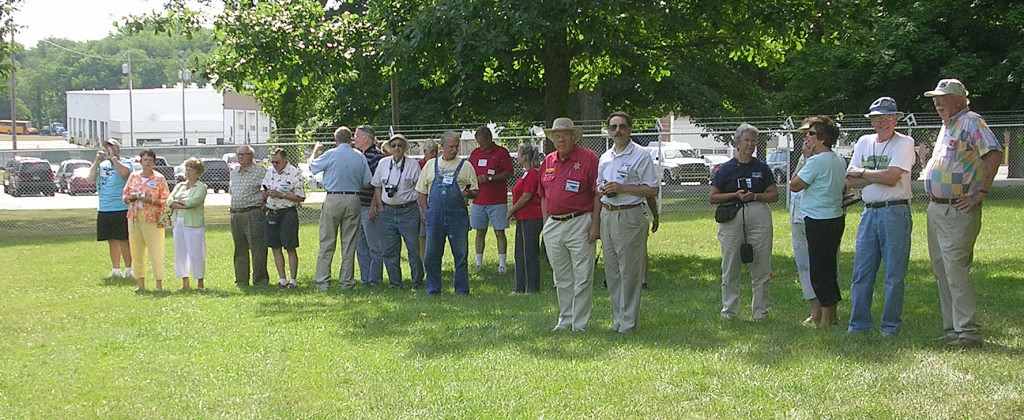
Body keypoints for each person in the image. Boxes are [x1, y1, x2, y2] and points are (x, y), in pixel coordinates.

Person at [922, 78, 1003, 349]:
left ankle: (968, 332)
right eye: (935, 98)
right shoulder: (948, 126)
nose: (937, 103)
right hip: (937, 208)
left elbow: (993, 153)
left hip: (958, 208)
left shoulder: (971, 121)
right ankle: (953, 330)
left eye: (942, 98)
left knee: (955, 270)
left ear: (958, 99)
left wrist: (980, 193)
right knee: (942, 270)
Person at [845, 97, 916, 336]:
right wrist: (877, 175)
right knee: (862, 272)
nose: (883, 122)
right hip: (869, 211)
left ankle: (890, 326)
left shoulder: (904, 143)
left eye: (888, 117)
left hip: (895, 210)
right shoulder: (864, 142)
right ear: (872, 121)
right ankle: (858, 326)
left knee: (894, 274)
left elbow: (892, 177)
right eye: (878, 118)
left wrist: (864, 172)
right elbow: (849, 180)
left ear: (896, 119)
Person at [709, 123, 779, 321]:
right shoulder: (726, 168)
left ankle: (760, 312)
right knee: (730, 266)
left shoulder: (761, 167)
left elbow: (774, 194)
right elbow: (713, 196)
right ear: (737, 143)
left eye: (753, 140)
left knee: (761, 266)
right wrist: (736, 195)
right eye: (746, 140)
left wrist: (755, 196)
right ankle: (729, 311)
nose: (750, 144)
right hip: (732, 217)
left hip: (758, 215)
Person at [597, 112, 659, 333]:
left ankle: (629, 323)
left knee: (630, 271)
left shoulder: (640, 155)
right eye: (613, 127)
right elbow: (598, 186)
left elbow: (652, 189)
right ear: (608, 131)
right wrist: (603, 188)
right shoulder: (605, 157)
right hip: (608, 215)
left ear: (630, 129)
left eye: (622, 126)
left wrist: (622, 188)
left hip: (630, 215)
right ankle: (618, 319)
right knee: (612, 271)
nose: (618, 131)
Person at [538, 117, 600, 332]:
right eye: (557, 135)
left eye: (565, 134)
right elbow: (543, 195)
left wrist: (595, 224)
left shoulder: (588, 158)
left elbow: (597, 193)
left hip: (579, 220)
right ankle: (565, 319)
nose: (561, 138)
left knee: (582, 275)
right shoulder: (548, 161)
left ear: (574, 137)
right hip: (554, 225)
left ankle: (579, 324)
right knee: (561, 277)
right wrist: (546, 224)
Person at [790, 116, 847, 327]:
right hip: (835, 219)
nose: (807, 137)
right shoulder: (839, 160)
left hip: (817, 220)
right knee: (829, 268)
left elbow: (794, 185)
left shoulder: (815, 161)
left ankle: (825, 319)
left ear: (822, 139)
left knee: (819, 271)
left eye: (811, 134)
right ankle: (830, 316)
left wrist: (805, 159)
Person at [310, 126, 373, 291]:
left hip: (333, 198)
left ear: (335, 140)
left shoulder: (330, 154)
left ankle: (323, 282)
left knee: (327, 241)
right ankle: (346, 281)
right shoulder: (359, 156)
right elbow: (367, 181)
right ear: (351, 138)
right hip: (353, 198)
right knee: (349, 243)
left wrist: (316, 151)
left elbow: (313, 167)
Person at [416, 132, 479, 295]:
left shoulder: (466, 166)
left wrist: (467, 194)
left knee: (460, 254)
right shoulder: (431, 165)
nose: (454, 150)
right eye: (451, 146)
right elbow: (421, 191)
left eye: (456, 146)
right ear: (442, 147)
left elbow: (475, 190)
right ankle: (433, 289)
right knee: (431, 255)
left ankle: (462, 290)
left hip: (457, 216)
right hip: (434, 216)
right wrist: (425, 211)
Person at [371, 134, 424, 289]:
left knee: (413, 248)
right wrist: (379, 205)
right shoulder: (383, 163)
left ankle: (417, 281)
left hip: (408, 211)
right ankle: (395, 283)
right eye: (393, 146)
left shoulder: (413, 165)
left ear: (404, 148)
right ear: (390, 148)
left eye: (400, 145)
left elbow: (420, 188)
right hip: (387, 212)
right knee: (389, 250)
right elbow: (377, 185)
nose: (397, 148)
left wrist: (421, 210)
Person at [122, 149, 170, 292]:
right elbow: (125, 193)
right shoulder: (134, 176)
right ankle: (140, 283)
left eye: (150, 160)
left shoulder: (159, 178)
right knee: (136, 250)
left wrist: (150, 200)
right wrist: (128, 198)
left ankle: (159, 283)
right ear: (140, 162)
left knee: (156, 250)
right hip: (135, 217)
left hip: (153, 218)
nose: (147, 162)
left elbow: (166, 199)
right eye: (145, 160)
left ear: (154, 162)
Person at [469, 126, 515, 274]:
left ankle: (502, 264)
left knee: (499, 232)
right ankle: (478, 263)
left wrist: (490, 178)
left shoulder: (501, 153)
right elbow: (469, 171)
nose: (481, 146)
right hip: (479, 200)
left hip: (497, 200)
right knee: (479, 232)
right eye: (479, 143)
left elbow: (509, 173)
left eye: (483, 143)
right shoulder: (475, 154)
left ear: (490, 139)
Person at [86, 138, 133, 279]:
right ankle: (115, 269)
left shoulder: (125, 163)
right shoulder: (102, 165)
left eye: (111, 148)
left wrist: (114, 159)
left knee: (123, 239)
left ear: (118, 150)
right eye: (106, 148)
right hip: (105, 208)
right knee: (111, 240)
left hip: (120, 207)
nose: (108, 150)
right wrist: (97, 161)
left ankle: (129, 269)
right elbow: (89, 178)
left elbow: (125, 174)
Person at [262, 148, 306, 289]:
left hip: (287, 212)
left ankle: (293, 280)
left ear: (285, 160)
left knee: (290, 247)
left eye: (277, 162)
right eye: (273, 162)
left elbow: (300, 197)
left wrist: (281, 194)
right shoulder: (270, 172)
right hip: (273, 212)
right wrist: (267, 194)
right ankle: (282, 279)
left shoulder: (294, 173)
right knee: (275, 246)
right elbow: (264, 191)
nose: (275, 165)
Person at [229, 145, 270, 287]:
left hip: (253, 213)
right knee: (239, 249)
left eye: (244, 154)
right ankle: (241, 280)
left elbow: (269, 189)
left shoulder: (260, 171)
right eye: (238, 154)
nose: (240, 157)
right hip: (236, 214)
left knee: (257, 248)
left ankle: (260, 281)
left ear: (251, 156)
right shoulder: (234, 172)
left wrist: (267, 204)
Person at [507, 143, 543, 294]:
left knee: (529, 252)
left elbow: (527, 196)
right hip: (523, 217)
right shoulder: (524, 174)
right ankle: (520, 285)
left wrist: (512, 209)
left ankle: (532, 286)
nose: (517, 157)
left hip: (532, 217)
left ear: (525, 157)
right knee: (520, 252)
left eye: (519, 154)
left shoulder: (533, 173)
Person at [167, 157, 208, 291]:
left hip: (193, 223)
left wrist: (179, 202)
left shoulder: (201, 187)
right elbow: (169, 200)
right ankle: (185, 283)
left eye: (191, 170)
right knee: (181, 251)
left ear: (198, 173)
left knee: (196, 252)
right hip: (178, 221)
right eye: (187, 170)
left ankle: (200, 283)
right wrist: (178, 203)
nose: (188, 173)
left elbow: (193, 201)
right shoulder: (180, 186)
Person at [354, 125, 385, 286]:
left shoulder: (376, 157)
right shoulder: (358, 156)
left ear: (366, 138)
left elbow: (377, 184)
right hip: (357, 207)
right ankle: (365, 279)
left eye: (357, 136)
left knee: (374, 246)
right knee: (360, 245)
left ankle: (375, 279)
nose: (354, 139)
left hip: (369, 207)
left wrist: (374, 205)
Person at [418, 139, 439, 262]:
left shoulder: (439, 164)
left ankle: (434, 259)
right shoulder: (419, 165)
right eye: (431, 152)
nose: (434, 154)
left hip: (435, 203)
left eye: (436, 151)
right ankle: (423, 259)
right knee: (422, 235)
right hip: (421, 203)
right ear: (424, 152)